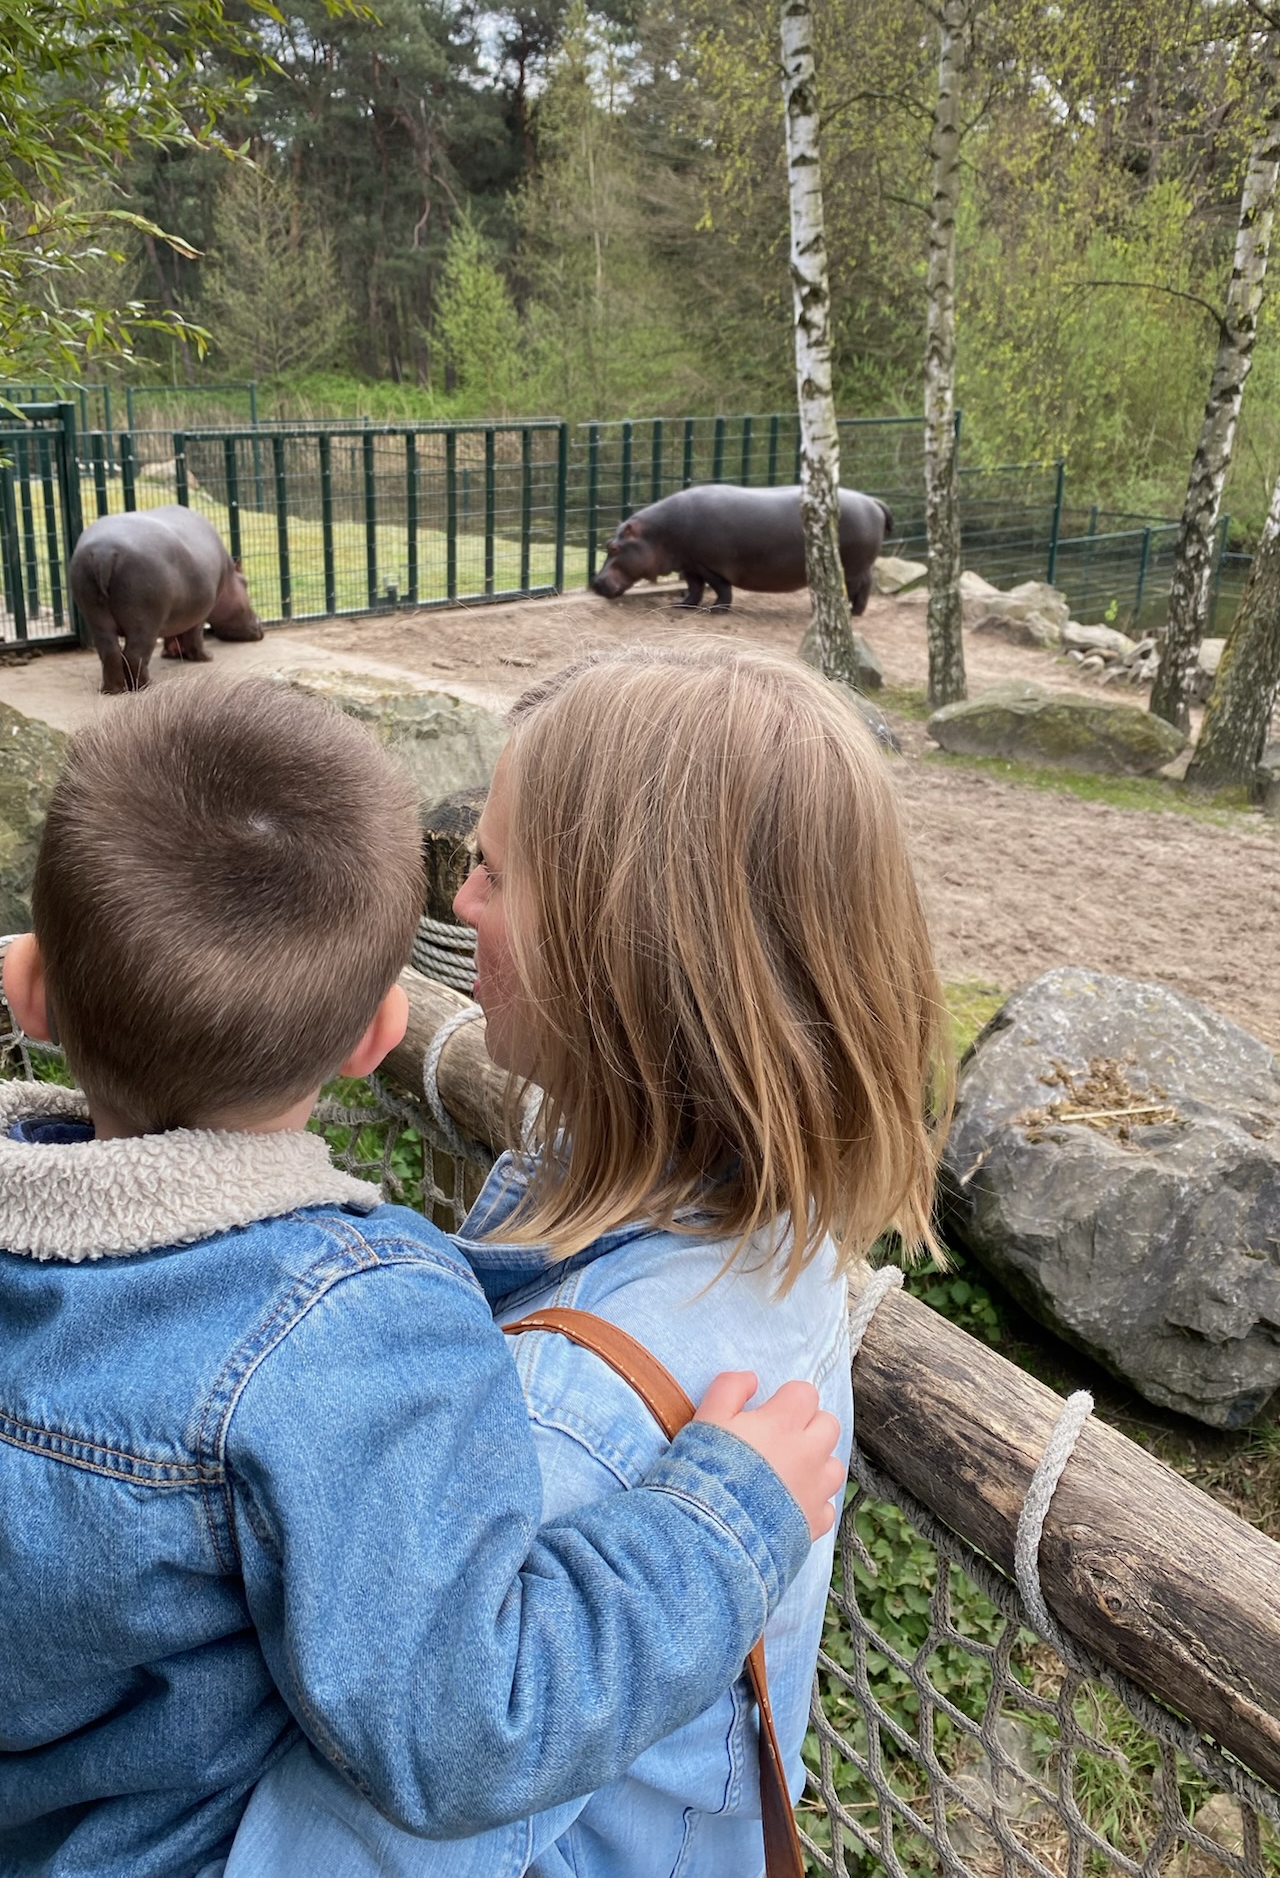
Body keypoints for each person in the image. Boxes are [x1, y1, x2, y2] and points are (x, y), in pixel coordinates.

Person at [0, 674, 845, 1878]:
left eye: (490, 867)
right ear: (379, 1034)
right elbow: (469, 1732)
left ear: (30, 987)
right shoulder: (352, 1328)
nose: (467, 895)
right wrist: (722, 1518)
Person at [230, 645, 950, 1876]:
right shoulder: (754, 1222)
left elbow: (356, 1834)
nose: (457, 903)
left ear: (620, 954)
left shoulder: (572, 1417)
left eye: (494, 874)